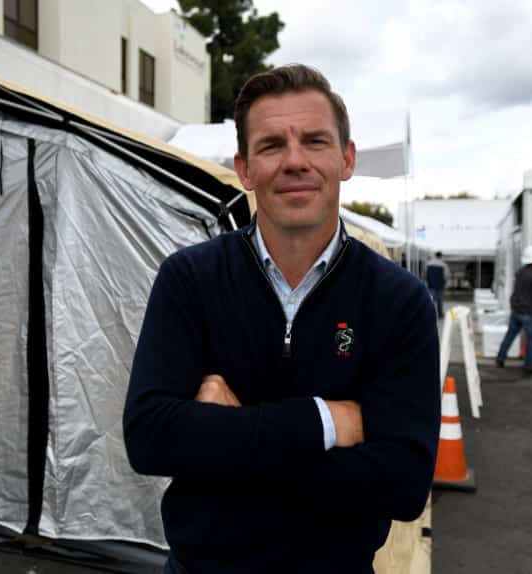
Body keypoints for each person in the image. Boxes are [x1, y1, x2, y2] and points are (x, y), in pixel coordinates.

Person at [123, 64, 440, 574]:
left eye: (315, 141)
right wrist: (326, 421)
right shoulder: (189, 279)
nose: (295, 161)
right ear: (244, 168)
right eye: (272, 145)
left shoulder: (399, 300)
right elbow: (149, 438)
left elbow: (402, 483)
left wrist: (226, 435)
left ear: (346, 159)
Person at [425, 251, 449, 319]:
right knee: (440, 301)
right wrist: (445, 283)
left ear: (435, 255)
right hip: (440, 285)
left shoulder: (428, 264)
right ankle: (440, 314)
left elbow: (426, 274)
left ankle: (430, 314)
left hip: (431, 285)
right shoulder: (443, 264)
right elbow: (446, 275)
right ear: (441, 256)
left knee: (431, 300)